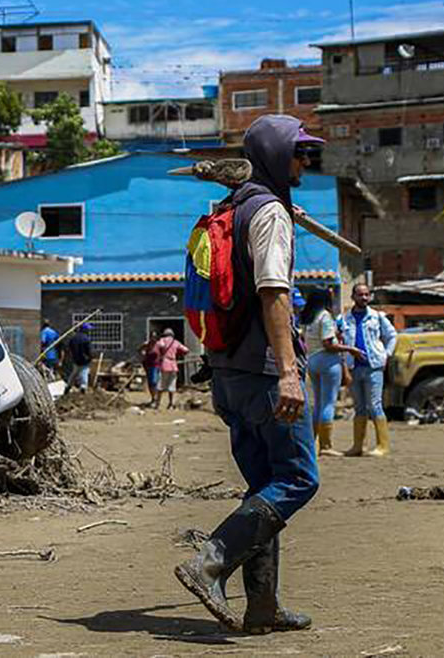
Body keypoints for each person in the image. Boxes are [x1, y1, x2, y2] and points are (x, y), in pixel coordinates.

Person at [174, 115, 322, 635]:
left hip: (227, 375)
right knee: (299, 478)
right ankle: (210, 560)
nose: (307, 161)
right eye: (301, 153)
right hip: (262, 373)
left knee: (264, 486)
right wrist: (288, 373)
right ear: (280, 156)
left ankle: (262, 607)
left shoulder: (232, 209)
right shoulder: (269, 215)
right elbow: (274, 293)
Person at [299, 288, 366, 456]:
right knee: (328, 403)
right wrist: (351, 349)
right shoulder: (325, 317)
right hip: (328, 361)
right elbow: (329, 344)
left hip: (312, 361)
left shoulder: (309, 318)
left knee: (318, 404)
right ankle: (326, 446)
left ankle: (312, 444)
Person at [339, 283, 397, 457]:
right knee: (359, 407)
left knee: (375, 405)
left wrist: (387, 354)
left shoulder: (377, 317)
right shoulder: (344, 319)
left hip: (373, 367)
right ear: (353, 297)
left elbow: (392, 335)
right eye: (360, 294)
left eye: (366, 295)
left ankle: (383, 445)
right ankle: (358, 446)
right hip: (354, 368)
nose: (364, 298)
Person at [152, 328, 190, 410]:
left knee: (161, 385)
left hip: (164, 364)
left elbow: (156, 349)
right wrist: (178, 353)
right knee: (172, 385)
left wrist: (161, 353)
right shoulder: (176, 342)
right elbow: (186, 350)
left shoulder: (162, 340)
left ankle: (157, 404)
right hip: (173, 365)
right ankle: (171, 404)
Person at [64, 323, 94, 394]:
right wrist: (90, 358)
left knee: (74, 374)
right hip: (84, 360)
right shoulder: (86, 339)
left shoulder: (73, 338)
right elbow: (89, 351)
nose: (89, 331)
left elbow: (69, 348)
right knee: (84, 372)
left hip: (75, 360)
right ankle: (83, 386)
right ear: (85, 330)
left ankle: (68, 386)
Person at [139, 331, 160, 406]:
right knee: (150, 383)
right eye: (152, 337)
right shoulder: (147, 344)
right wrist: (143, 353)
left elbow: (164, 352)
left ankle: (156, 399)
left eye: (154, 337)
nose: (153, 338)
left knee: (154, 382)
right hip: (148, 365)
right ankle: (153, 398)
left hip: (156, 365)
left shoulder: (159, 345)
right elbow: (140, 350)